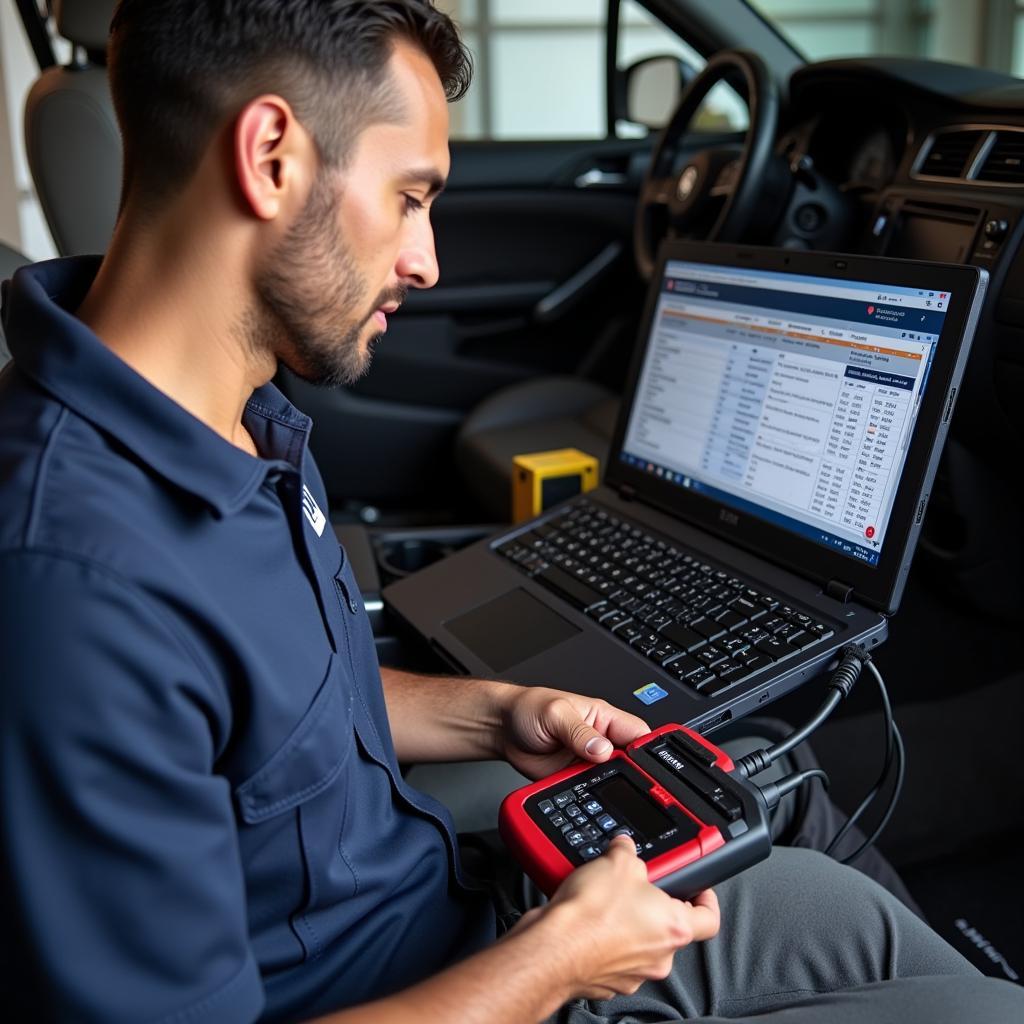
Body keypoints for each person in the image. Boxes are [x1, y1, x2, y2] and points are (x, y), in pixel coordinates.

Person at [0, 2, 1020, 1022]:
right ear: (271, 155)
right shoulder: (75, 587)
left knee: (787, 805)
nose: (426, 259)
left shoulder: (236, 414)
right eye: (408, 197)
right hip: (461, 987)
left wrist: (498, 711)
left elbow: (274, 713)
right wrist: (559, 961)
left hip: (454, 911)